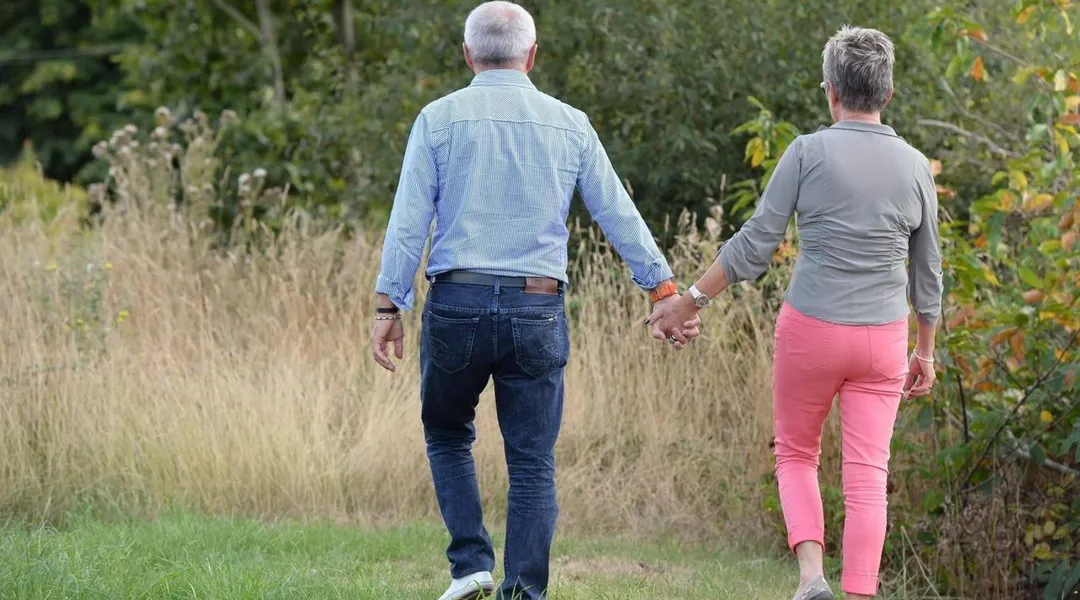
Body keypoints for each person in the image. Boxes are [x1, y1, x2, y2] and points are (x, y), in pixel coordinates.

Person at [370, 3, 701, 599]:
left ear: (468, 54)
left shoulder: (438, 119)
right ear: (532, 54)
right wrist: (664, 288)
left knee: (447, 434)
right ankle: (524, 591)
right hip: (536, 307)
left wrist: (389, 304)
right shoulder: (569, 123)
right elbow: (616, 211)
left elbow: (408, 218)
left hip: (456, 302)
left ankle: (470, 563)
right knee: (531, 459)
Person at [646, 25, 943, 600]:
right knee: (867, 476)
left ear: (830, 90)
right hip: (884, 340)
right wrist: (924, 351)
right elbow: (927, 271)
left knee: (797, 451)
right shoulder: (914, 167)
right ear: (888, 93)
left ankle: (812, 579)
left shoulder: (807, 151)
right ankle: (860, 591)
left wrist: (689, 300)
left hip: (811, 329)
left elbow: (756, 243)